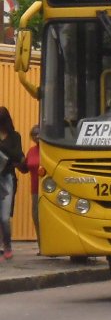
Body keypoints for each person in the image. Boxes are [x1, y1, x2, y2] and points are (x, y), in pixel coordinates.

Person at [0, 107, 26, 260]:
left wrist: (3, 148)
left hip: (8, 177)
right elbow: (15, 156)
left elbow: (18, 155)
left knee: (4, 216)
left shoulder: (15, 136)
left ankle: (7, 245)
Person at [20, 125, 41, 252]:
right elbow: (25, 168)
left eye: (38, 133)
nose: (36, 136)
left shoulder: (49, 150)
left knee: (47, 219)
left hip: (49, 189)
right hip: (35, 189)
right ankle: (41, 246)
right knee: (36, 217)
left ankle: (51, 245)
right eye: (33, 134)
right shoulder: (31, 151)